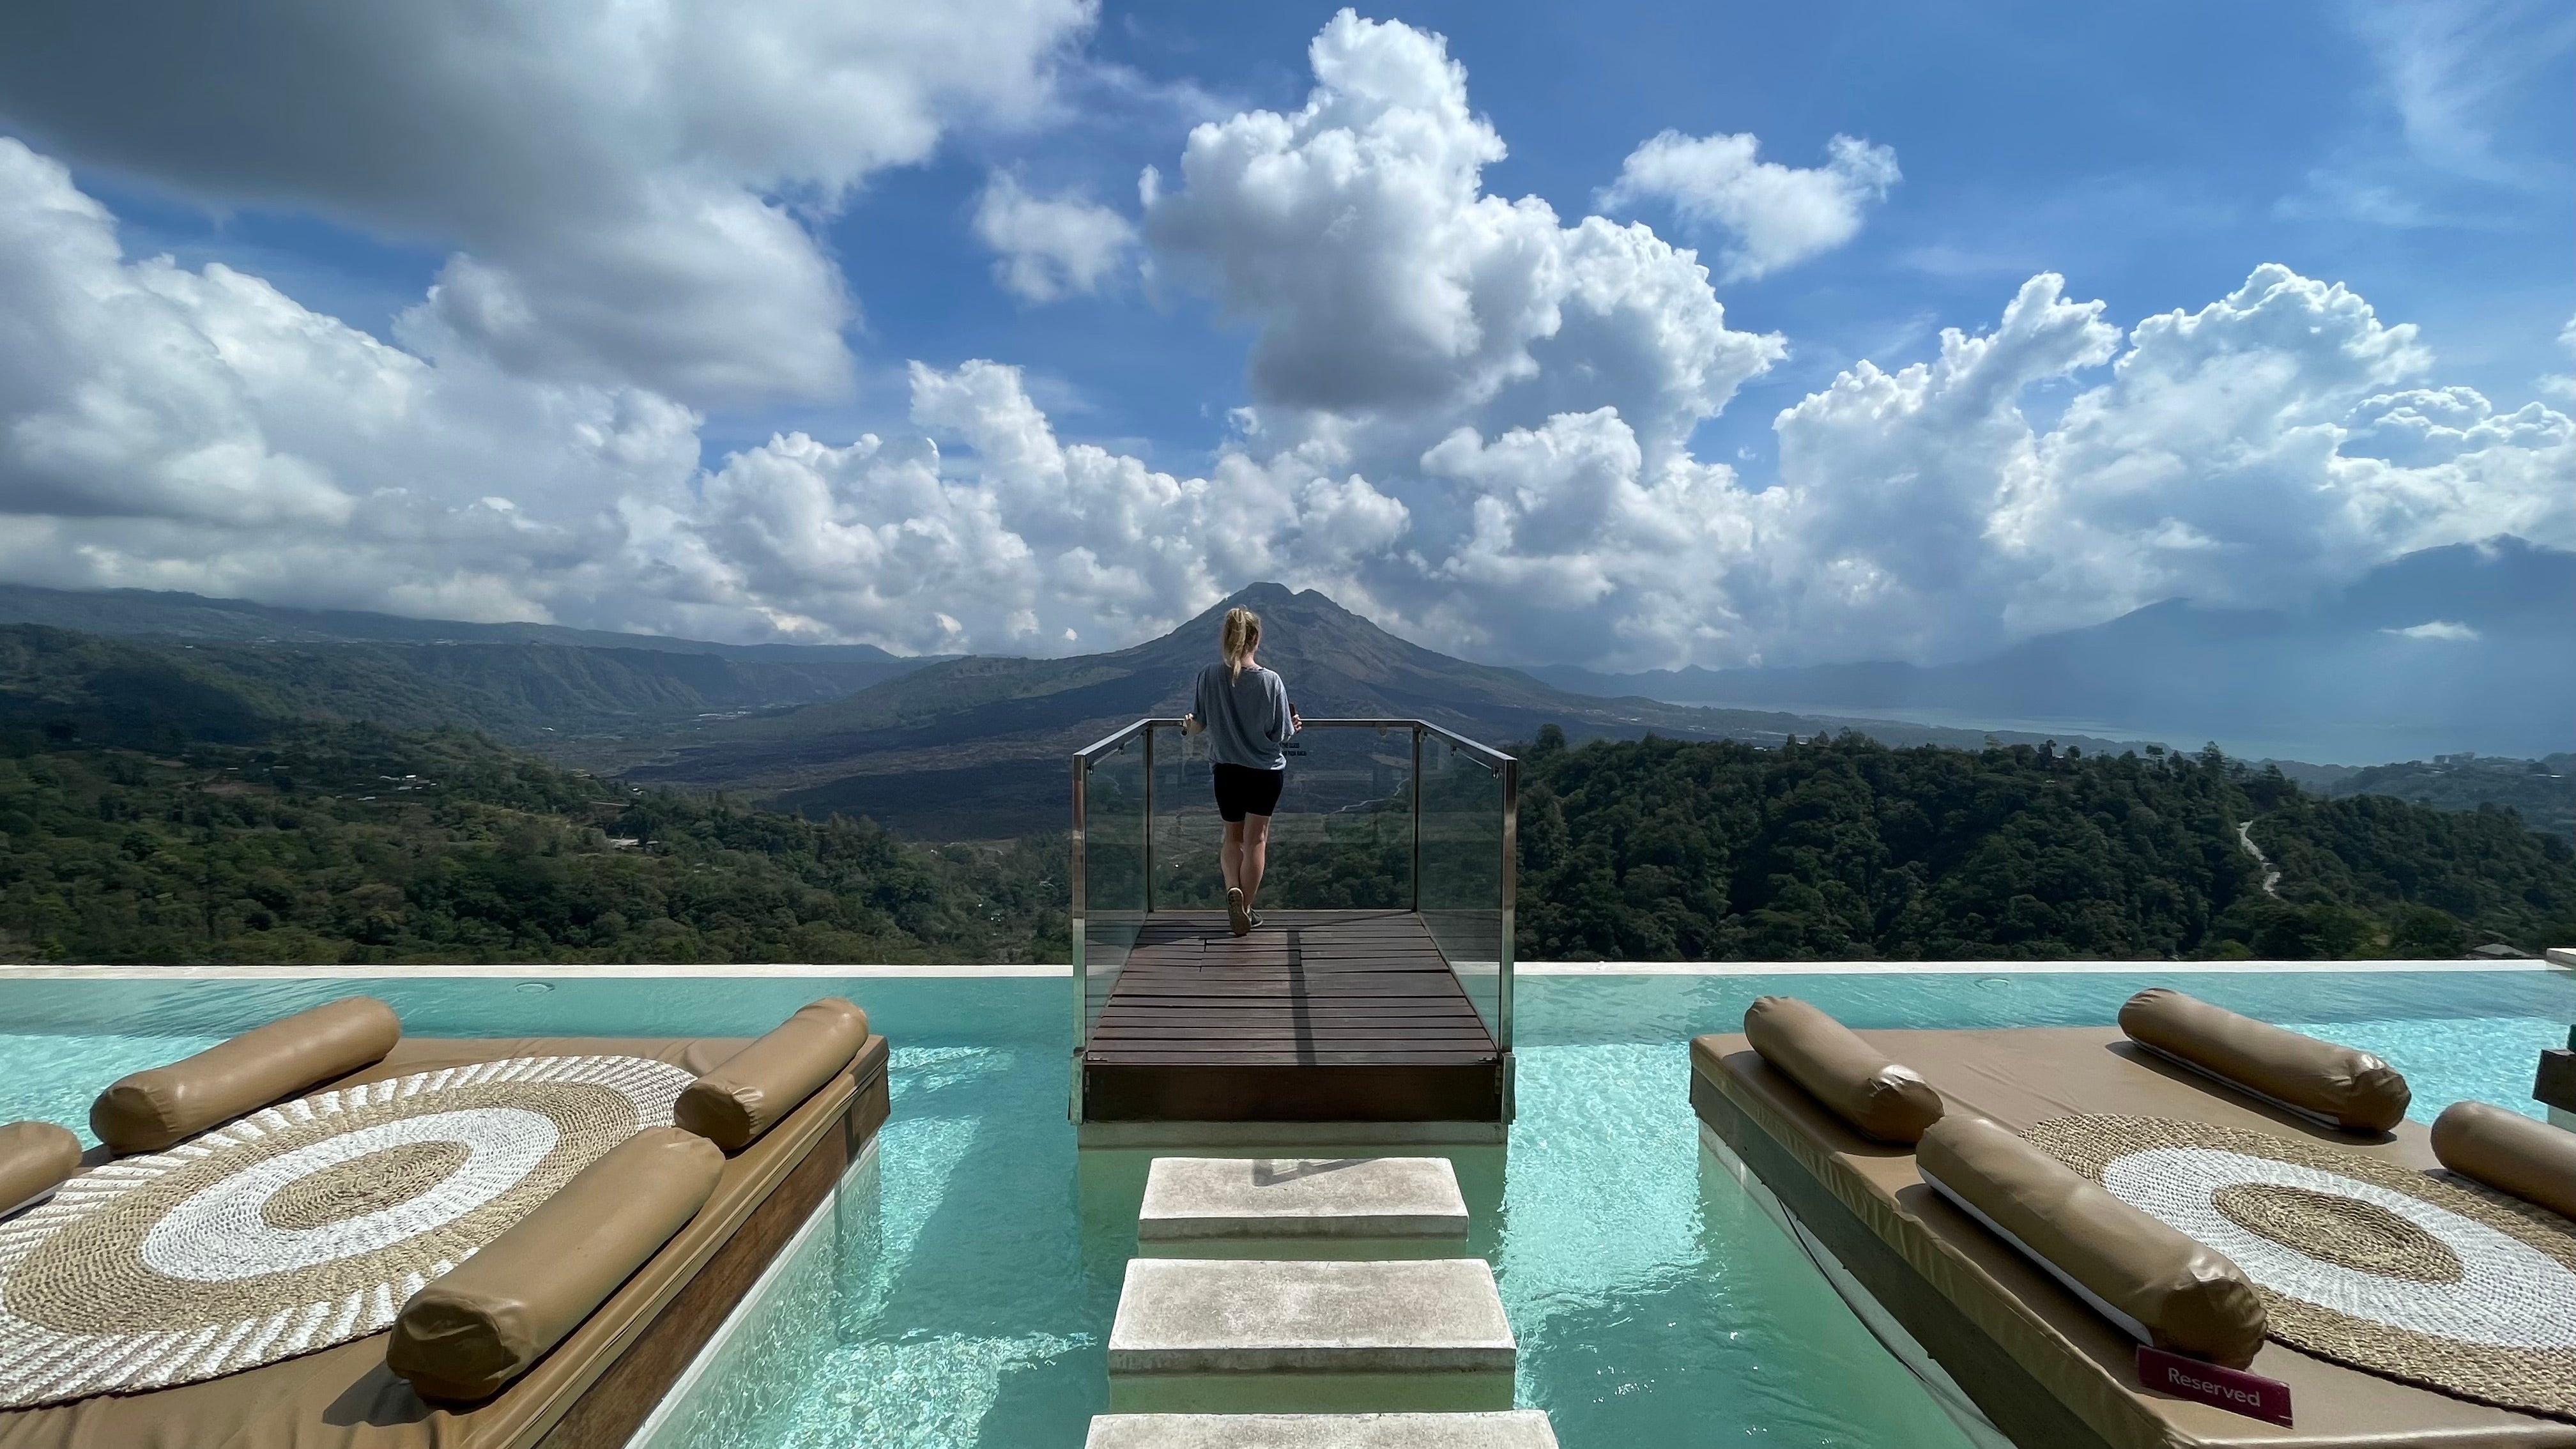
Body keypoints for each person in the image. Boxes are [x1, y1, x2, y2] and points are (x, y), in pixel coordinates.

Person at [1181, 605, 1300, 935]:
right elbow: (1280, 733)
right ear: (1256, 639)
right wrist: (1295, 725)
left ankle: (1232, 886)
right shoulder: (1270, 681)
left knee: (1232, 838)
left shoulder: (1208, 675)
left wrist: (1190, 726)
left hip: (1226, 771)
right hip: (1264, 772)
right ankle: (1245, 908)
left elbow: (1200, 723)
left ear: (1226, 638)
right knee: (1257, 840)